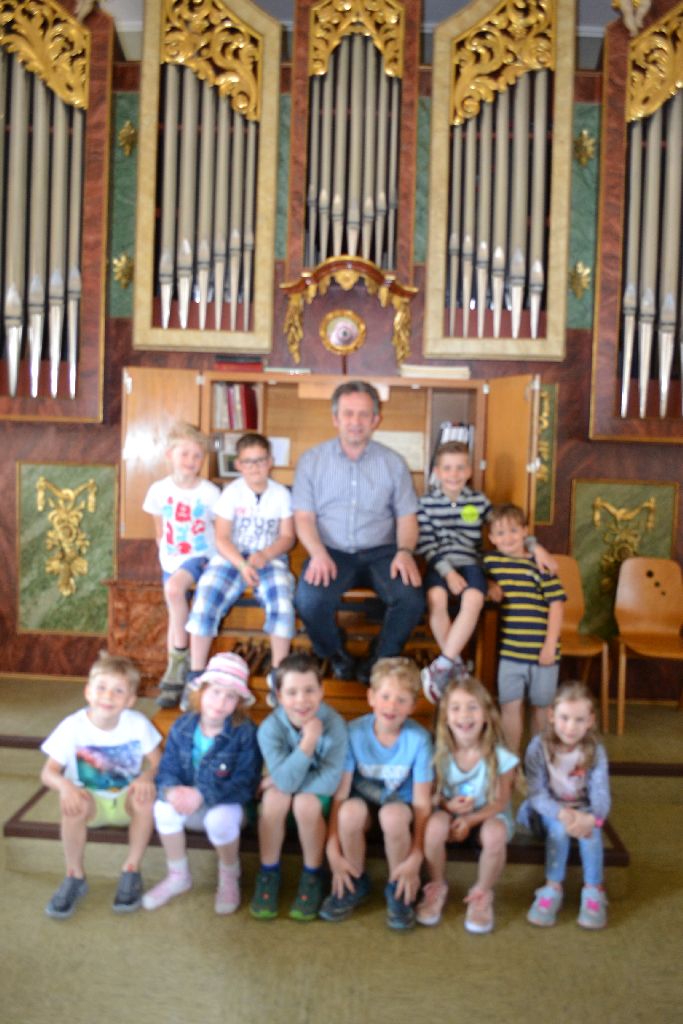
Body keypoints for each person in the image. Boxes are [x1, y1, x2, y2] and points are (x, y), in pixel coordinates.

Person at [292, 380, 424, 684]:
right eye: (348, 413)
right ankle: (336, 654)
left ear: (376, 419)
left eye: (364, 414)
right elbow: (304, 517)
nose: (356, 421)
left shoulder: (393, 463)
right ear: (335, 418)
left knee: (411, 599)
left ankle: (379, 659)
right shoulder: (312, 461)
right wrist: (317, 553)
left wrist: (405, 552)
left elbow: (407, 518)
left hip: (382, 552)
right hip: (331, 551)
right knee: (309, 600)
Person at [418, 443, 557, 704]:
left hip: (471, 563)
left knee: (474, 598)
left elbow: (504, 527)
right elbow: (425, 544)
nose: (454, 474)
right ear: (437, 472)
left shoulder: (479, 501)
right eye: (447, 468)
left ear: (469, 471)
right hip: (440, 564)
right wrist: (448, 574)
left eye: (460, 468)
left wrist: (535, 547)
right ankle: (457, 667)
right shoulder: (425, 504)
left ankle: (442, 665)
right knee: (436, 598)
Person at [40, 652, 162, 919]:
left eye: (119, 691)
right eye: (102, 687)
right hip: (91, 803)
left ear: (130, 700)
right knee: (71, 803)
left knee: (146, 796)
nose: (108, 696)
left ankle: (131, 868)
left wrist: (147, 776)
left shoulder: (138, 724)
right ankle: (74, 874)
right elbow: (48, 773)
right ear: (88, 692)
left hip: (126, 802)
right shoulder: (72, 726)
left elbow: (159, 763)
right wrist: (65, 787)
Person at [142, 652, 262, 914]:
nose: (220, 702)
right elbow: (168, 768)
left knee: (219, 820)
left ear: (239, 702)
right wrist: (172, 791)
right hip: (190, 804)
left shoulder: (244, 731)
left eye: (230, 696)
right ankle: (178, 875)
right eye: (215, 692)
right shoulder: (183, 726)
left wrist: (202, 794)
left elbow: (245, 782)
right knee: (162, 808)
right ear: (201, 691)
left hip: (227, 804)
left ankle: (229, 875)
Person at [319, 657, 433, 930]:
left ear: (413, 706)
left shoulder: (419, 740)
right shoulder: (353, 732)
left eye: (401, 700)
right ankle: (354, 879)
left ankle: (399, 885)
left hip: (399, 809)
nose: (391, 706)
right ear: (371, 697)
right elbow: (340, 796)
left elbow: (422, 804)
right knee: (349, 812)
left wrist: (417, 855)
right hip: (364, 807)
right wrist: (332, 848)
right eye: (385, 696)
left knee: (392, 816)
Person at [186, 432, 296, 708]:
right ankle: (196, 674)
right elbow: (222, 537)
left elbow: (287, 537)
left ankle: (278, 675)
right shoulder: (231, 493)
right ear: (238, 465)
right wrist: (242, 564)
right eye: (248, 462)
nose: (255, 467)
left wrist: (265, 555)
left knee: (282, 601)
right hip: (232, 557)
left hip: (269, 557)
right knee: (206, 595)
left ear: (270, 461)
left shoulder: (281, 494)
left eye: (260, 460)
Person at [250, 651, 348, 921]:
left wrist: (282, 779)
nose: (302, 700)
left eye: (309, 690)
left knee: (303, 802)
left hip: (316, 802)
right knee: (275, 798)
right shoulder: (270, 729)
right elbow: (283, 782)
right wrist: (307, 743)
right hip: (284, 796)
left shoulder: (335, 725)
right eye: (292, 692)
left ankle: (312, 875)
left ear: (322, 691)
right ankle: (268, 872)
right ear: (279, 696)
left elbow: (330, 781)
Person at [416, 676, 518, 933]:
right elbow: (432, 794)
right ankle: (436, 886)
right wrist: (447, 806)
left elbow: (501, 801)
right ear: (445, 717)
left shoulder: (500, 756)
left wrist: (471, 819)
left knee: (495, 834)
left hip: (487, 816)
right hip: (450, 813)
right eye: (456, 708)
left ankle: (482, 894)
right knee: (434, 826)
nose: (464, 715)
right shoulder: (438, 753)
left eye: (473, 707)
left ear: (486, 715)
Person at [518, 681, 611, 929]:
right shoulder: (538, 747)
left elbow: (601, 793)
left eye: (579, 720)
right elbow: (536, 794)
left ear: (591, 720)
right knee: (558, 831)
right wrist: (561, 814)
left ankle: (593, 890)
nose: (571, 727)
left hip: (583, 810)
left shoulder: (595, 750)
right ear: (551, 715)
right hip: (548, 810)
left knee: (591, 833)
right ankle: (552, 887)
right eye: (564, 718)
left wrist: (592, 818)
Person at [143, 422, 221, 708]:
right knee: (175, 613)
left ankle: (181, 657)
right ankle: (175, 673)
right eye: (185, 454)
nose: (191, 461)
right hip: (171, 558)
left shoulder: (209, 492)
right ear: (170, 455)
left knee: (175, 591)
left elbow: (221, 528)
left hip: (201, 556)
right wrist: (166, 556)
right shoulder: (158, 490)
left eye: (197, 456)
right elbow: (159, 529)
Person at [483, 503, 566, 755]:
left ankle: (539, 761)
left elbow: (557, 605)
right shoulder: (491, 561)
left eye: (513, 530)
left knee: (541, 708)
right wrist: (489, 584)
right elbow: (474, 575)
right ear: (491, 538)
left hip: (543, 651)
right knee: (509, 707)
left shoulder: (539, 564)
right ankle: (511, 762)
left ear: (525, 532)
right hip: (511, 652)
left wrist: (550, 645)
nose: (507, 538)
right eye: (500, 533)